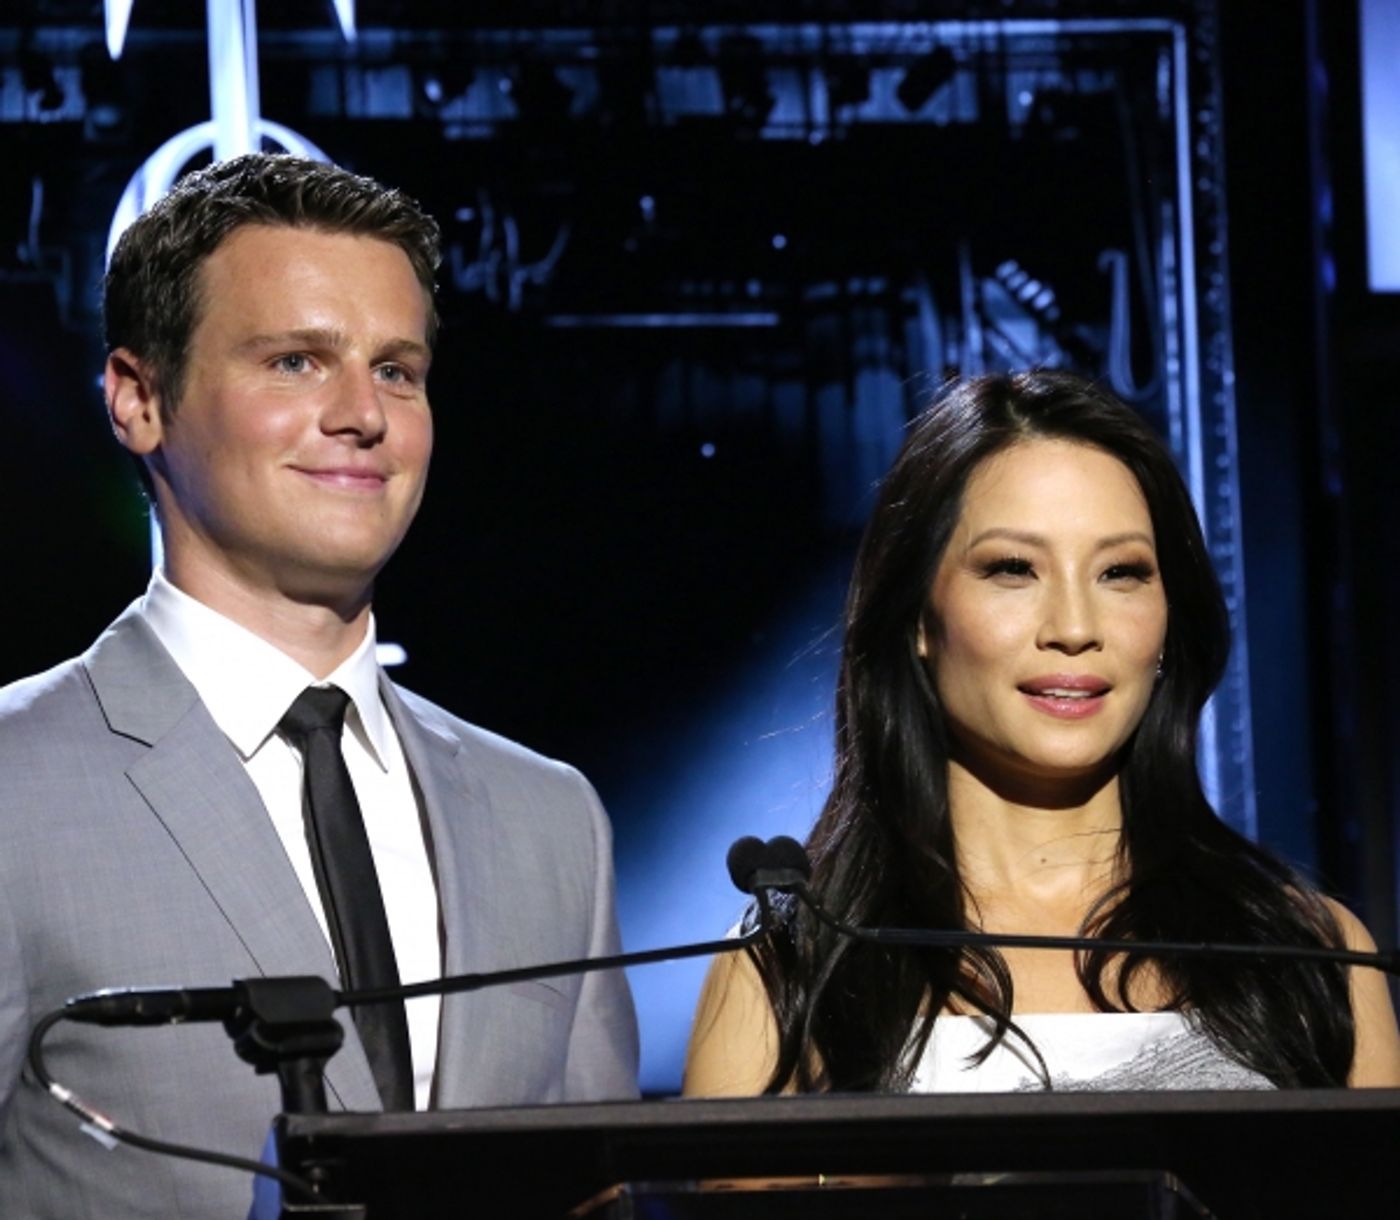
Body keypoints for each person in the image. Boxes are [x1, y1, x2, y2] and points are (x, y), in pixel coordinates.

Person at [0, 154, 638, 1218]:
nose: (361, 413)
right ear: (139, 399)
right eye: (296, 361)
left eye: (397, 369)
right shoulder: (16, 783)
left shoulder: (549, 815)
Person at [684, 370, 1400, 1096]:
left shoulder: (1314, 956)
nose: (1074, 629)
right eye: (1013, 570)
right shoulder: (792, 969)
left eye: (1120, 573)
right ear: (917, 617)